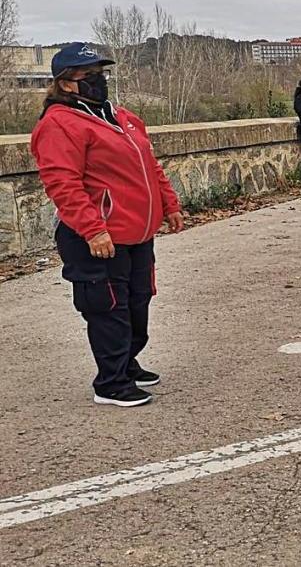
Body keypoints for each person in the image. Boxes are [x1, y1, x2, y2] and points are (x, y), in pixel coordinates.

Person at [30, 43, 184, 408]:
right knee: (107, 307)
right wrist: (92, 228)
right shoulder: (59, 124)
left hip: (136, 232)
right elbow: (62, 182)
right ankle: (111, 382)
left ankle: (127, 363)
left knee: (137, 302)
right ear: (66, 83)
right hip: (98, 235)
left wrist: (169, 204)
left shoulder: (121, 117)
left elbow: (150, 166)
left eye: (101, 74)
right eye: (89, 76)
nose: (99, 81)